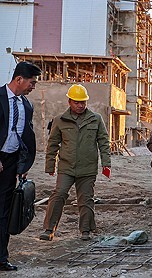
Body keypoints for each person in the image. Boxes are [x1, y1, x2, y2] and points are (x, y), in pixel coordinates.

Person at [40, 84, 111, 242]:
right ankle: (49, 229)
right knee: (59, 194)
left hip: (87, 168)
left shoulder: (96, 119)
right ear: (69, 102)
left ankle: (85, 230)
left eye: (83, 102)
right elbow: (52, 145)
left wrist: (106, 163)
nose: (80, 105)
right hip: (66, 167)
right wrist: (50, 166)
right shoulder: (59, 121)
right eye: (77, 102)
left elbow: (104, 142)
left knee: (86, 199)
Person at [0, 61, 41, 271]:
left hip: (10, 164)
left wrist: (24, 164)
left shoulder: (27, 105)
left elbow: (27, 136)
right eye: (32, 82)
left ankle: (1, 258)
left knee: (4, 211)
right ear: (19, 79)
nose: (33, 87)